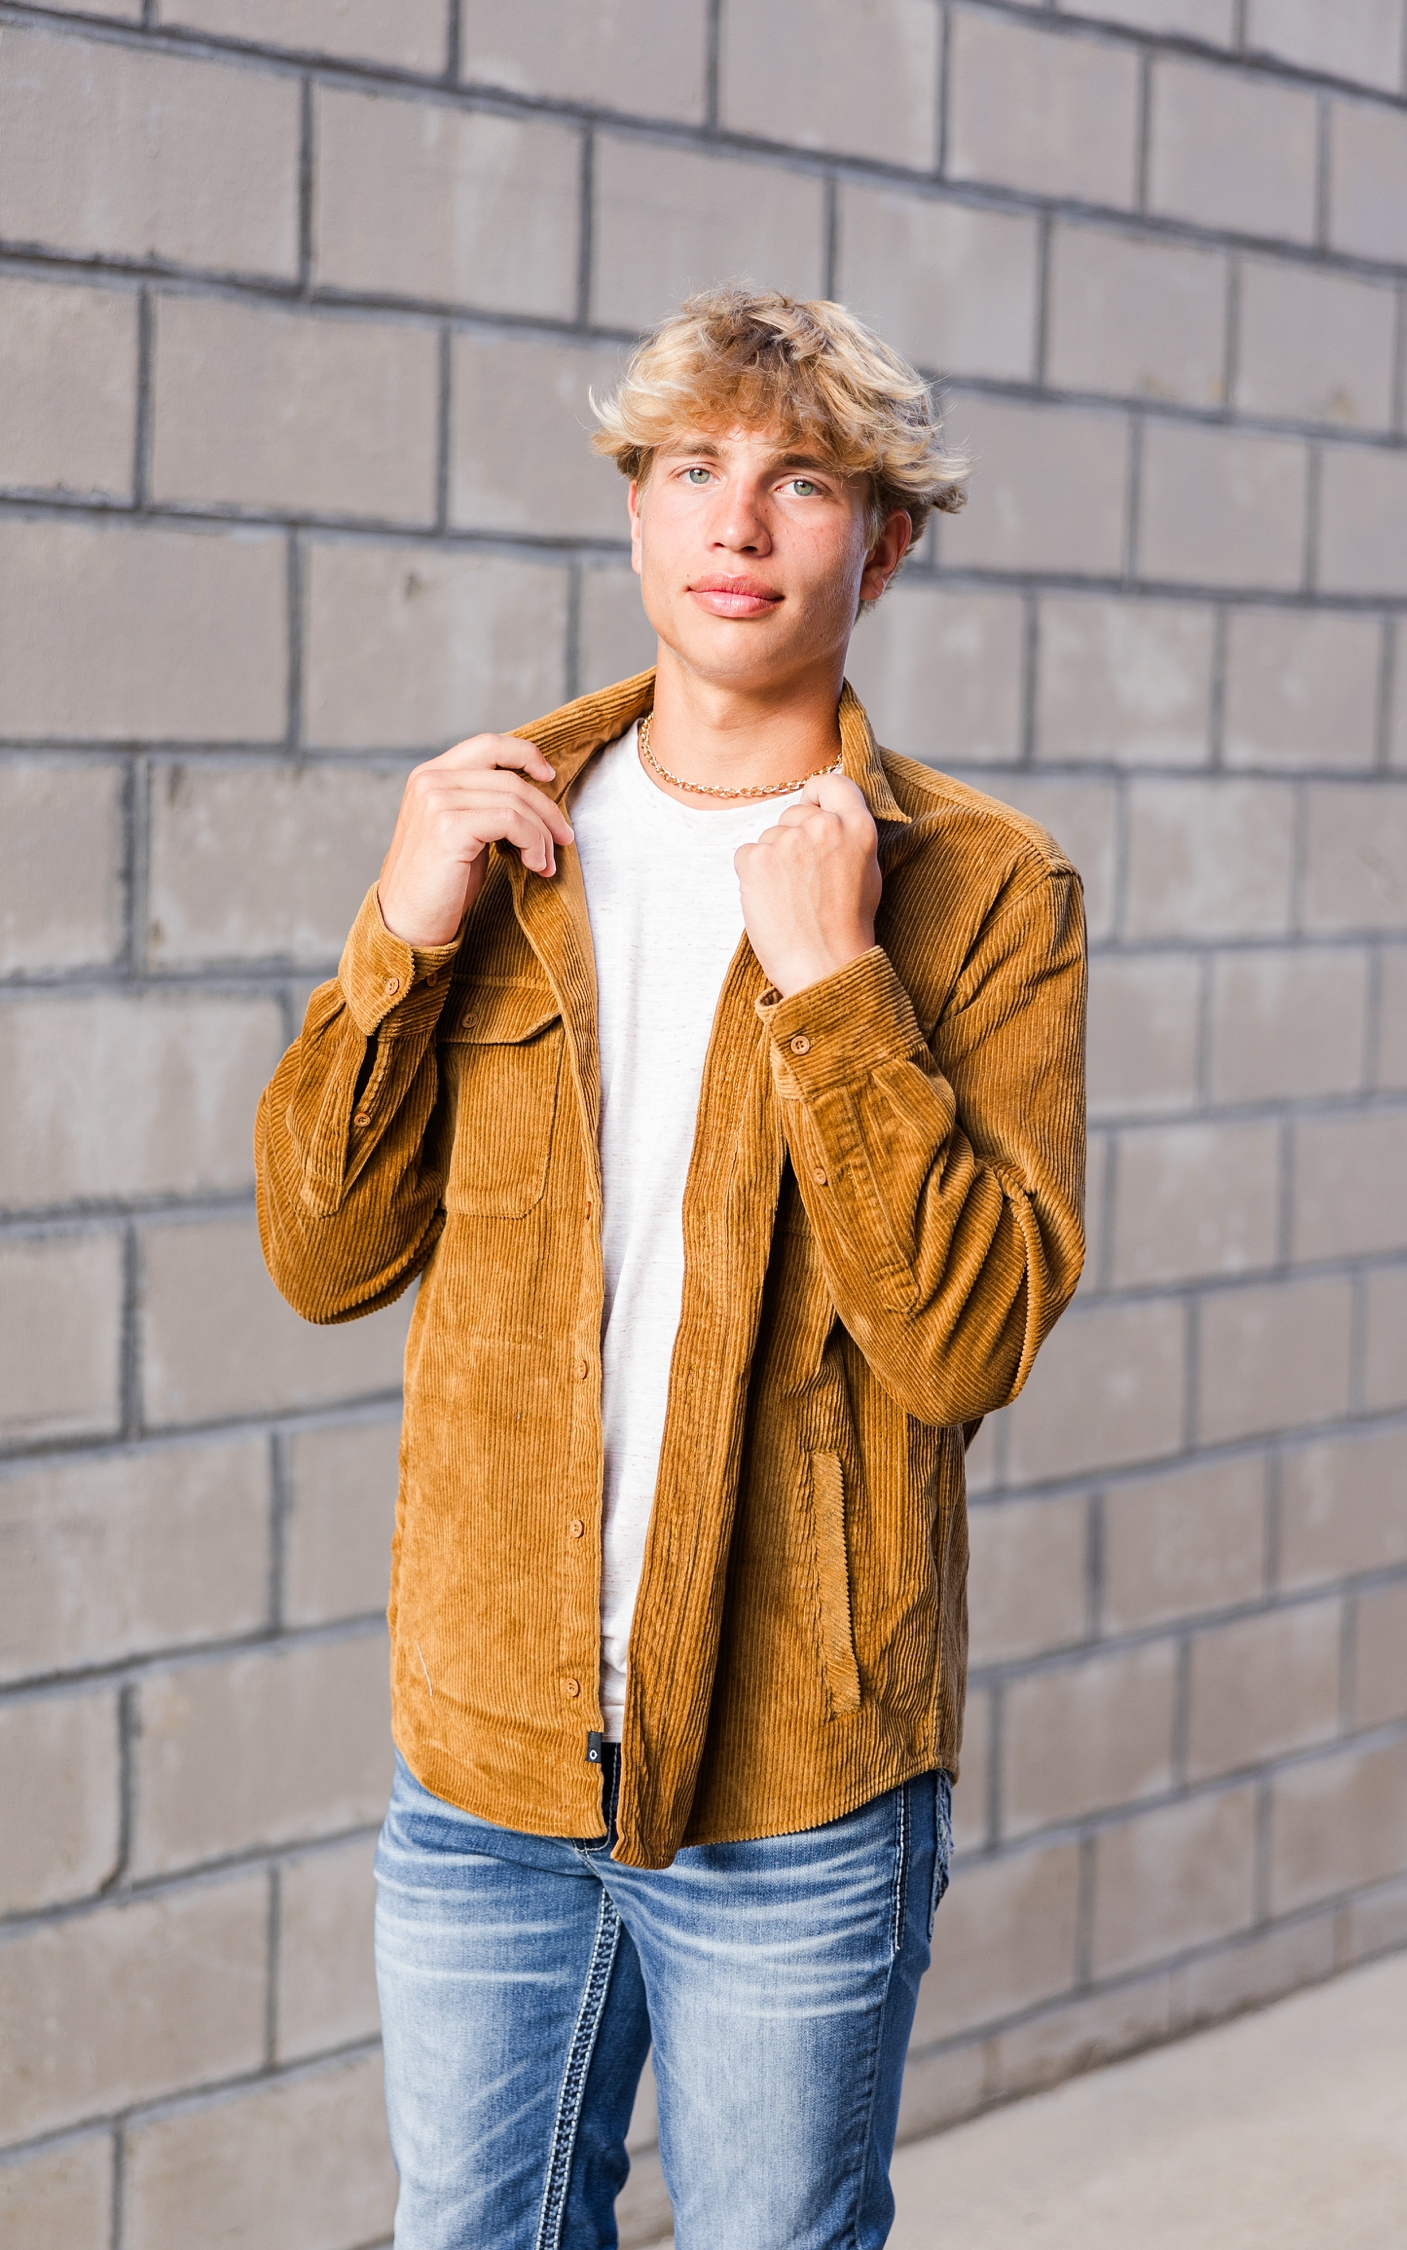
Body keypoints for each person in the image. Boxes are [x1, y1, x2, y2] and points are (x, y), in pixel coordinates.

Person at [255, 285, 1086, 2250]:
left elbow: (965, 1343)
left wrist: (838, 993)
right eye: (695, 469)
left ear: (882, 540)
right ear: (632, 508)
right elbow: (320, 1250)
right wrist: (395, 928)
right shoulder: (488, 828)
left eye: (802, 480)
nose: (740, 522)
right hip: (486, 1767)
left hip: (796, 1791)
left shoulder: (982, 890)